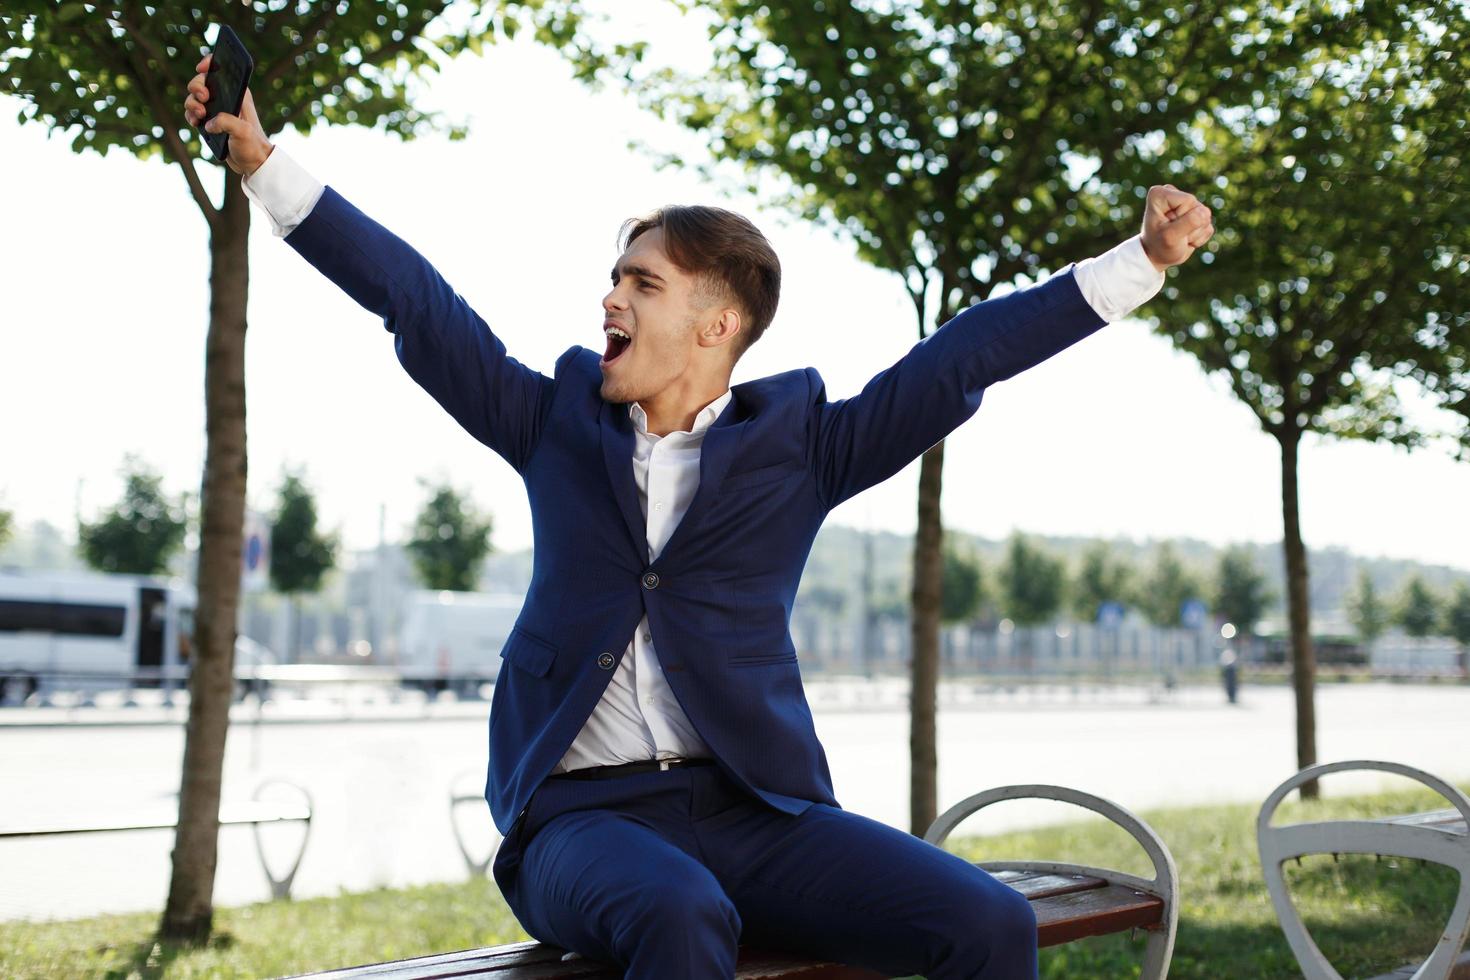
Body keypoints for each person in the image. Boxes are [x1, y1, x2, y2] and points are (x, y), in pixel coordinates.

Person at [185, 55, 1213, 980]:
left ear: (716, 324)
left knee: (988, 921)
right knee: (683, 914)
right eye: (613, 280)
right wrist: (264, 163)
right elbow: (416, 299)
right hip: (579, 824)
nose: (610, 302)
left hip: (755, 811)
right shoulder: (553, 423)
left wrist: (1140, 262)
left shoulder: (803, 449)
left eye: (642, 283)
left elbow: (967, 353)